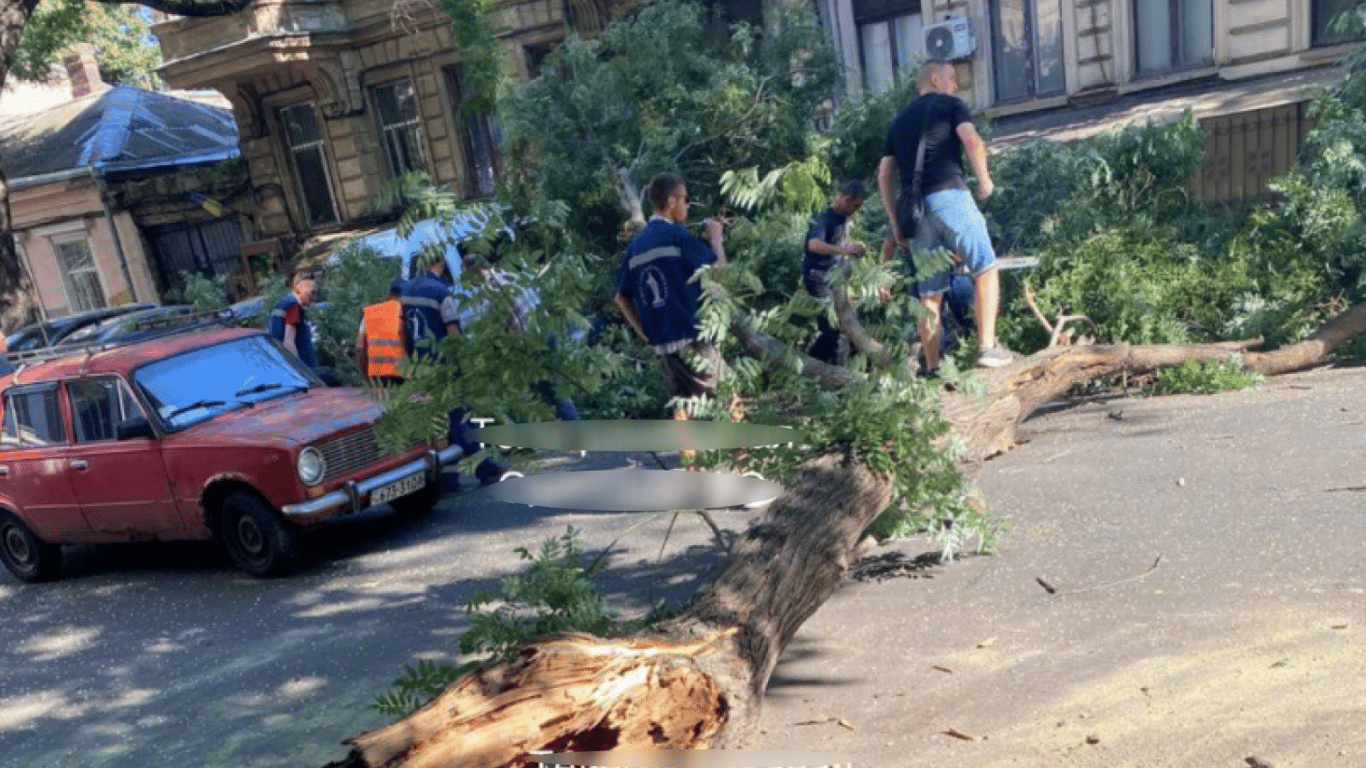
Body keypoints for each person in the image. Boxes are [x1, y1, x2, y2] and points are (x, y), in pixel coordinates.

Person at [877, 60, 1013, 374]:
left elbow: (884, 173)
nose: (955, 86)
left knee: (930, 295)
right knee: (986, 269)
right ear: (936, 79)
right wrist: (985, 180)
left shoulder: (898, 122)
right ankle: (988, 348)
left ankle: (933, 368)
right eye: (952, 79)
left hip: (916, 213)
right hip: (951, 198)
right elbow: (973, 141)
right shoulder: (951, 105)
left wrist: (895, 221)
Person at [614, 171, 727, 429]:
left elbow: (621, 297)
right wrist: (717, 239)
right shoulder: (678, 236)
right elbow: (720, 272)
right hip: (693, 337)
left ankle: (691, 468)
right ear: (672, 201)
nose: (688, 205)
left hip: (663, 346)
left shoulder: (636, 244)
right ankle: (740, 464)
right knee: (726, 402)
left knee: (683, 413)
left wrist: (645, 334)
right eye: (686, 199)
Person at [401, 250, 515, 488]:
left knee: (438, 425)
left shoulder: (407, 291)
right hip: (446, 365)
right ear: (441, 262)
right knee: (461, 419)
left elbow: (405, 332)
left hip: (423, 366)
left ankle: (449, 479)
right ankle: (487, 470)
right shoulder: (442, 291)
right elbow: (452, 332)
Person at [803, 180, 870, 365]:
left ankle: (838, 367)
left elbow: (840, 243)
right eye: (855, 205)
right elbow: (814, 245)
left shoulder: (845, 219)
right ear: (847, 199)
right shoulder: (822, 216)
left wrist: (853, 248)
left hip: (837, 279)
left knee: (846, 326)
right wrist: (845, 251)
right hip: (817, 276)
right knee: (830, 327)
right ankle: (811, 363)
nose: (856, 210)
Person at [355, 278, 407, 387]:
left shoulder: (370, 313)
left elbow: (359, 347)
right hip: (400, 377)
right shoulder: (403, 313)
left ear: (388, 295)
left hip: (375, 377)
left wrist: (364, 375)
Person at [268, 271, 320, 372]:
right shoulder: (293, 307)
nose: (314, 298)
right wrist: (301, 372)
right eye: (312, 293)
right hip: (306, 372)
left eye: (316, 293)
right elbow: (288, 344)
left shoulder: (283, 304)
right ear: (299, 287)